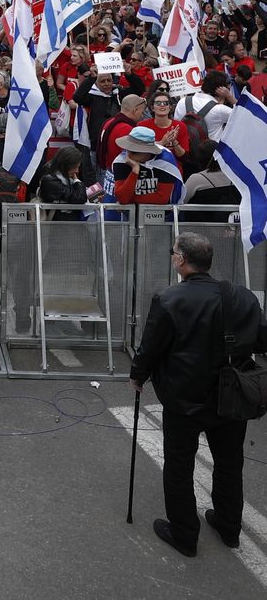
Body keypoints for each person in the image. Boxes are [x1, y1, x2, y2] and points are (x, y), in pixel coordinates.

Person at [130, 232, 267, 557]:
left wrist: (138, 377)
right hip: (232, 393)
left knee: (179, 466)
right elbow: (262, 340)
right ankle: (229, 526)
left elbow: (150, 348)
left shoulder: (168, 299)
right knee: (230, 463)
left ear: (181, 260)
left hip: (184, 398)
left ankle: (184, 534)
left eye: (173, 251)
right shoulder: (243, 296)